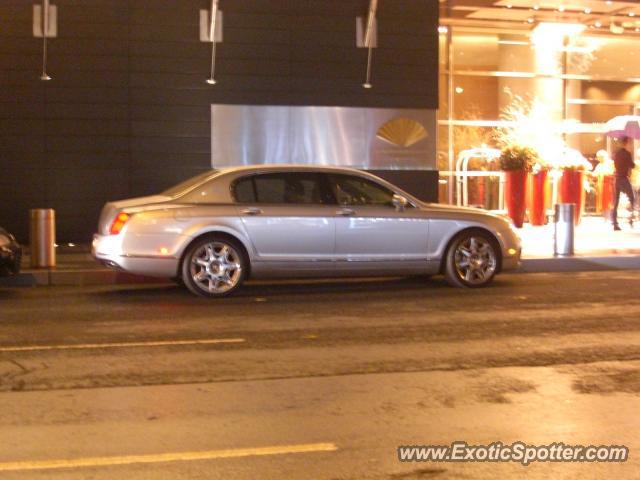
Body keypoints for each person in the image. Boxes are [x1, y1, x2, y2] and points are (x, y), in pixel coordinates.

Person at [612, 136, 636, 231]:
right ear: (626, 143)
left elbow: (615, 164)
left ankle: (615, 223)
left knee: (616, 202)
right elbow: (632, 165)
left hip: (617, 179)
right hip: (624, 179)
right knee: (632, 198)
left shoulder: (616, 154)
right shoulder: (627, 154)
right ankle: (630, 219)